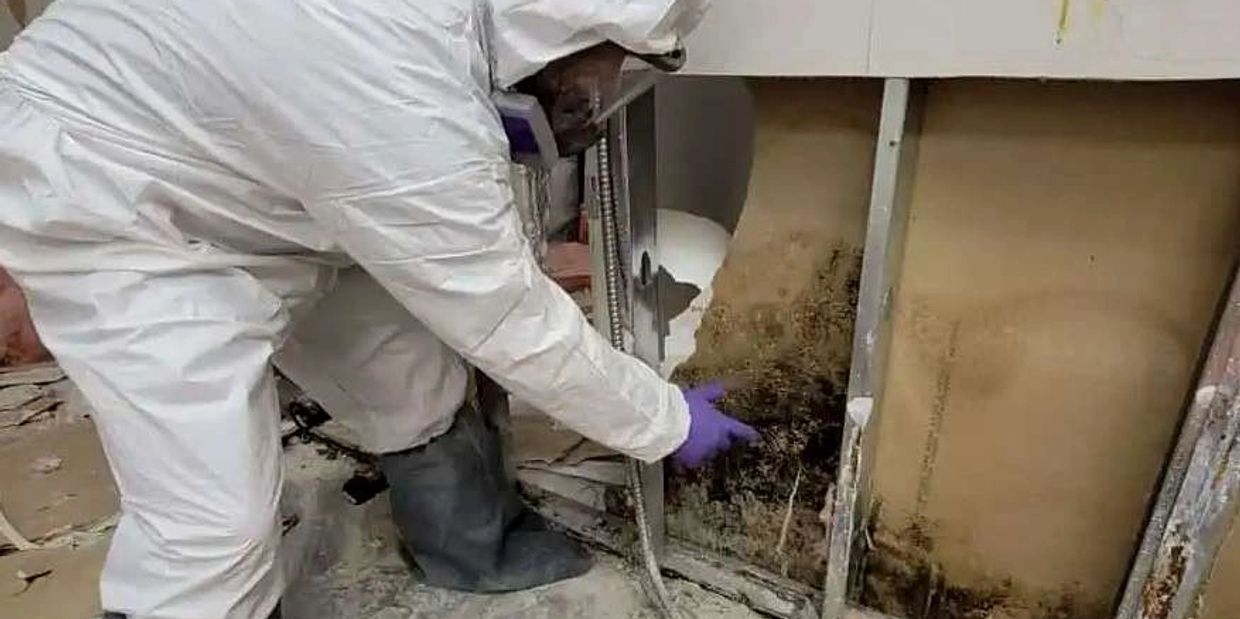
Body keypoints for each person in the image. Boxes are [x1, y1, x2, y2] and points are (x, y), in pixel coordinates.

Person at [0, 0, 761, 617]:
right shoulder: (401, 88)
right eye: (609, 62)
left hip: (251, 175)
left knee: (405, 370)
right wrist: (666, 421)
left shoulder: (439, 39)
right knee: (211, 523)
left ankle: (468, 545)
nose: (600, 91)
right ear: (562, 24)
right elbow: (507, 319)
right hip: (117, 201)